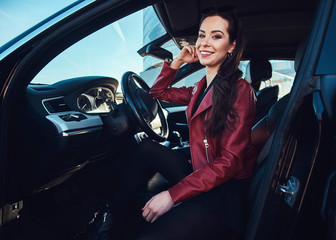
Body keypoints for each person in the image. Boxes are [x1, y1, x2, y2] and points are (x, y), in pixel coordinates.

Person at [85, 8, 257, 240]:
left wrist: (172, 195)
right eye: (202, 35)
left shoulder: (240, 90)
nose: (205, 43)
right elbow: (157, 92)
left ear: (232, 45)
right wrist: (177, 61)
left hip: (223, 192)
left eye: (216, 36)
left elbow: (230, 162)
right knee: (145, 148)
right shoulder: (199, 87)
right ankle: (111, 215)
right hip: (202, 171)